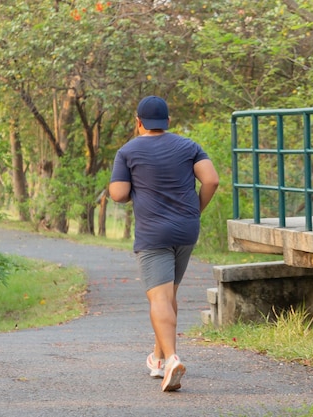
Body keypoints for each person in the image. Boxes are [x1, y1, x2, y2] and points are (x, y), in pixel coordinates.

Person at [109, 95, 219, 392]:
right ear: (168, 121)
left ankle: (171, 359)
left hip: (153, 234)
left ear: (138, 122)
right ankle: (157, 359)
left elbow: (118, 194)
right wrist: (196, 209)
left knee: (159, 298)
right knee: (168, 295)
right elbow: (211, 180)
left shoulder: (128, 151)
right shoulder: (189, 146)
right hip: (186, 230)